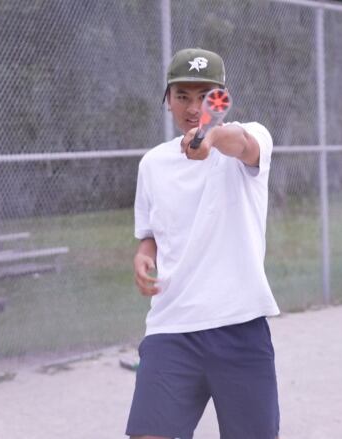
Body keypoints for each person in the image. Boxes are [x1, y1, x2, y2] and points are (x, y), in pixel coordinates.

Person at [126, 48, 281, 439]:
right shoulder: (152, 165)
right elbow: (151, 233)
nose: (193, 107)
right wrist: (144, 255)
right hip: (171, 327)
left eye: (205, 96)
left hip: (239, 325)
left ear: (221, 99)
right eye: (183, 96)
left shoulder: (249, 140)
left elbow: (240, 142)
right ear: (168, 100)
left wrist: (210, 138)